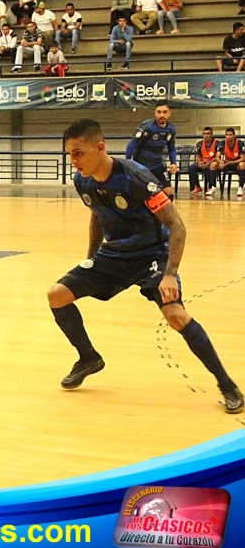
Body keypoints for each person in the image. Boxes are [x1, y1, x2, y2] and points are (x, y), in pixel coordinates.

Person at [48, 118, 243, 415]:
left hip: (153, 254)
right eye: (69, 154)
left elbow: (177, 225)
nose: (73, 161)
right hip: (114, 255)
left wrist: (170, 274)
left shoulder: (135, 177)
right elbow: (97, 215)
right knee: (57, 295)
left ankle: (227, 385)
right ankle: (88, 358)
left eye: (78, 153)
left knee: (175, 315)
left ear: (100, 147)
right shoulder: (82, 180)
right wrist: (91, 257)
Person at [125, 100, 178, 199]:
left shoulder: (171, 129)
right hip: (142, 166)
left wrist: (173, 163)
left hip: (158, 165)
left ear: (169, 113)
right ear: (155, 113)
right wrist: (128, 164)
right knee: (143, 195)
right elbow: (132, 145)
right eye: (159, 112)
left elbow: (171, 148)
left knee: (168, 194)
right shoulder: (147, 127)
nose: (162, 115)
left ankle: (163, 214)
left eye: (165, 112)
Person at [187, 127, 220, 196]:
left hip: (212, 163)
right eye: (204, 134)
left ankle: (210, 187)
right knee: (192, 167)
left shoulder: (217, 143)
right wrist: (199, 162)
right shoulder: (199, 144)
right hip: (203, 162)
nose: (206, 135)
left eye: (208, 133)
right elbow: (198, 155)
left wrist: (207, 163)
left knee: (210, 167)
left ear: (212, 134)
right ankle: (197, 187)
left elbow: (217, 157)